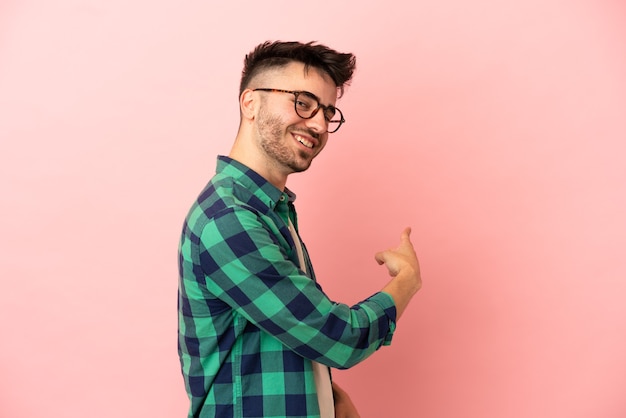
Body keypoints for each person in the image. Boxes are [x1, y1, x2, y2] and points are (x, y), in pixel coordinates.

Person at [177, 40, 422, 418]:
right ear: (251, 103)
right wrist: (405, 281)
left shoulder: (271, 209)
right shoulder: (229, 218)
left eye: (328, 111)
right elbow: (338, 337)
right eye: (303, 103)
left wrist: (326, 394)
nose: (320, 124)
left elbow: (277, 330)